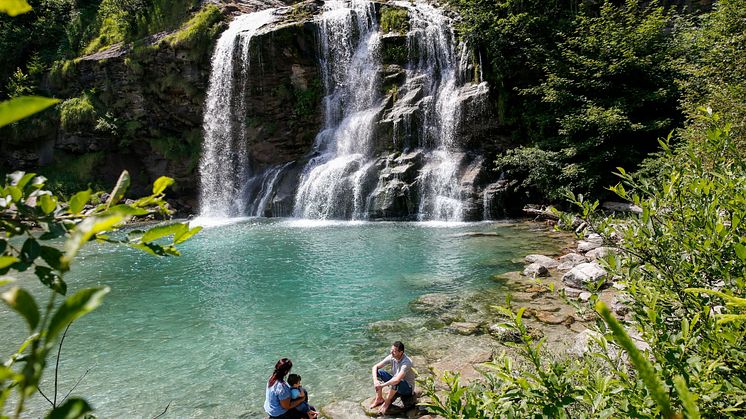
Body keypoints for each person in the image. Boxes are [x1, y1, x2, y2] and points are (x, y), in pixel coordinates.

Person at [370, 341, 416, 415]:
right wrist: (375, 381)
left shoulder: (407, 362)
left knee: (396, 380)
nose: (391, 352)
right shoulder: (392, 357)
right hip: (397, 383)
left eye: (394, 351)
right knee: (379, 372)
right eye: (391, 350)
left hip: (407, 388)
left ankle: (387, 402)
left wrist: (382, 385)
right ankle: (379, 398)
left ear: (401, 352)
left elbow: (397, 379)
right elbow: (375, 367)